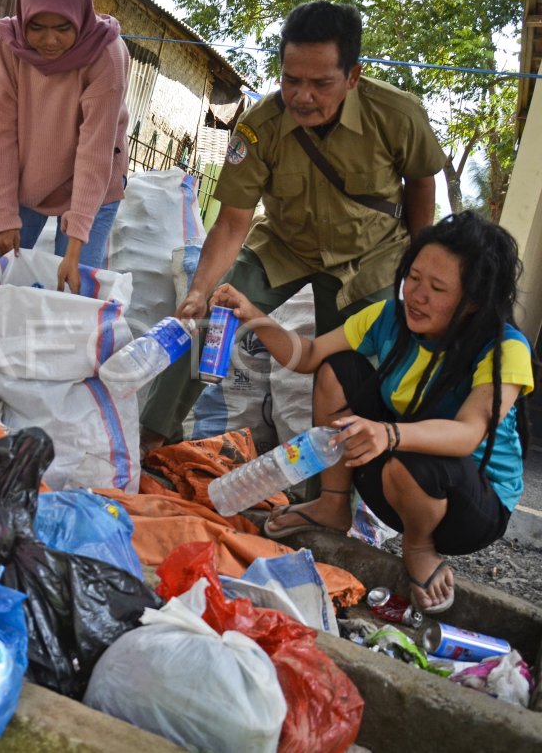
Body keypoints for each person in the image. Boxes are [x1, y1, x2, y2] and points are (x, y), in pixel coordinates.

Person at [140, 0, 447, 450]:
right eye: (291, 80)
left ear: (353, 76)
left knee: (350, 373)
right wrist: (199, 290)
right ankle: (153, 436)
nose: (302, 96)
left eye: (321, 83)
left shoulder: (397, 115)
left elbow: (421, 184)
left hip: (370, 258)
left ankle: (330, 492)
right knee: (214, 318)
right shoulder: (260, 126)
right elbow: (230, 224)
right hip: (284, 246)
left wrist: (415, 262)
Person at [209, 212, 535, 614]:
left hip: (470, 506)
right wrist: (252, 315)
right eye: (413, 277)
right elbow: (308, 356)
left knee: (413, 460)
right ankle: (332, 505)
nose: (417, 295)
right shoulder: (387, 316)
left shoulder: (505, 347)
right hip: (399, 476)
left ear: (474, 302)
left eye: (437, 288)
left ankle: (419, 547)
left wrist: (389, 434)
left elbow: (468, 433)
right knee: (337, 371)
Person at [0, 0, 129, 293]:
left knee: (75, 291)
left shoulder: (106, 55)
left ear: (81, 17)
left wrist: (75, 247)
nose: (49, 41)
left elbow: (94, 151)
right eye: (37, 26)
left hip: (94, 181)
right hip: (30, 176)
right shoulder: (9, 47)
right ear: (23, 16)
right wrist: (2, 217)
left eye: (63, 28)